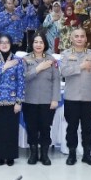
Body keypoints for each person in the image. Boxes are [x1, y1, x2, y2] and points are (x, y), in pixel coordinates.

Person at [59, 28, 91, 166]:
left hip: (89, 97)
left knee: (87, 128)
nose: (79, 39)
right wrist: (81, 66)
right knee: (71, 127)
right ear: (71, 39)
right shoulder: (65, 54)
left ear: (86, 39)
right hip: (71, 97)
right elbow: (63, 72)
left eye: (82, 36)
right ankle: (72, 154)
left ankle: (87, 154)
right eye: (76, 36)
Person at [22, 34, 61, 165]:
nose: (38, 45)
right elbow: (23, 77)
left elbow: (56, 80)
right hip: (29, 100)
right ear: (32, 44)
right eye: (36, 42)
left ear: (45, 44)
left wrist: (55, 99)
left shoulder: (51, 60)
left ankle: (44, 154)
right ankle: (33, 153)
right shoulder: (26, 59)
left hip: (47, 101)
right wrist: (38, 69)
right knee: (31, 128)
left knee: (45, 127)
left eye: (41, 42)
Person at [0, 34, 23, 165]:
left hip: (12, 101)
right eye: (2, 42)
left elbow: (21, 82)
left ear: (11, 44)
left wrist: (19, 101)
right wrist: (4, 67)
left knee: (10, 129)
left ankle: (10, 156)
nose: (4, 44)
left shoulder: (17, 60)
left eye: (7, 42)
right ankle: (0, 156)